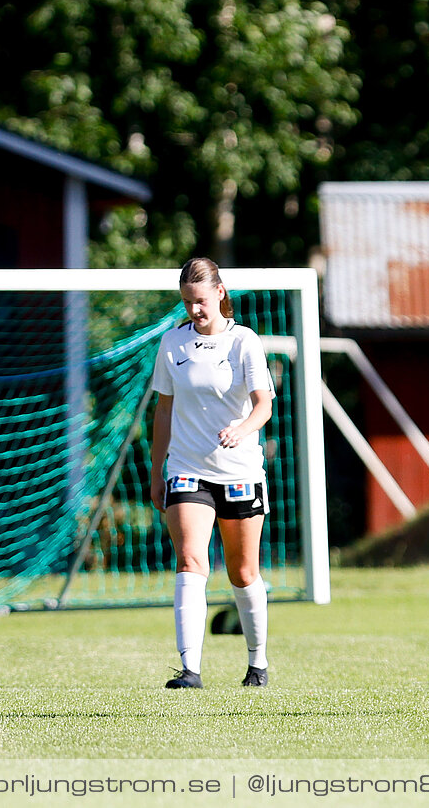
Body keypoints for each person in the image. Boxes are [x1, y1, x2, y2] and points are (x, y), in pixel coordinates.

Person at [150, 258, 276, 689]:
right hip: (186, 469)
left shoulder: (245, 342)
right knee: (190, 559)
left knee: (242, 573)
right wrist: (156, 470)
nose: (194, 311)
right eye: (187, 303)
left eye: (200, 301)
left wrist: (241, 429)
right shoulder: (171, 344)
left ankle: (257, 664)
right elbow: (163, 409)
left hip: (239, 473)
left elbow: (264, 405)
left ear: (220, 293)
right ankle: (190, 670)